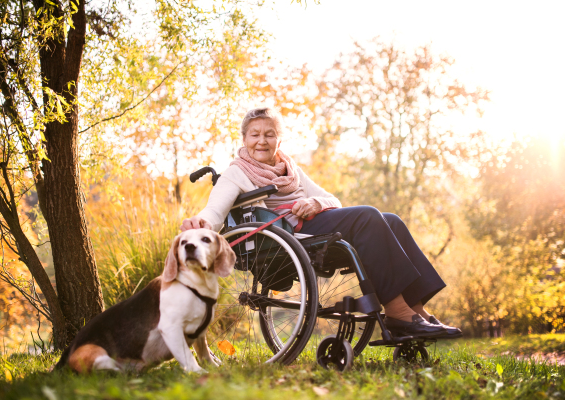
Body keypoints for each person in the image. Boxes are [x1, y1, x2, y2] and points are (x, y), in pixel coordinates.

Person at [181, 107, 461, 338]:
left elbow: (331, 199)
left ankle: (416, 310)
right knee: (368, 216)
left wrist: (314, 203)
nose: (261, 141)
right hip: (287, 233)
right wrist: (200, 224)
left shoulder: (292, 169)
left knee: (392, 221)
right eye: (254, 135)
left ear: (279, 140)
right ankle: (398, 312)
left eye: (269, 134)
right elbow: (215, 211)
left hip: (314, 221)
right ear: (244, 139)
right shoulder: (236, 173)